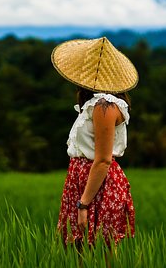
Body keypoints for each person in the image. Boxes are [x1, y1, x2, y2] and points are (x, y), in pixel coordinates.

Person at [52, 36, 138, 247]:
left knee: (97, 251)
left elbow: (102, 160)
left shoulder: (104, 106)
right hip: (82, 182)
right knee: (77, 251)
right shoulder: (94, 104)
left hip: (98, 186)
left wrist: (83, 205)